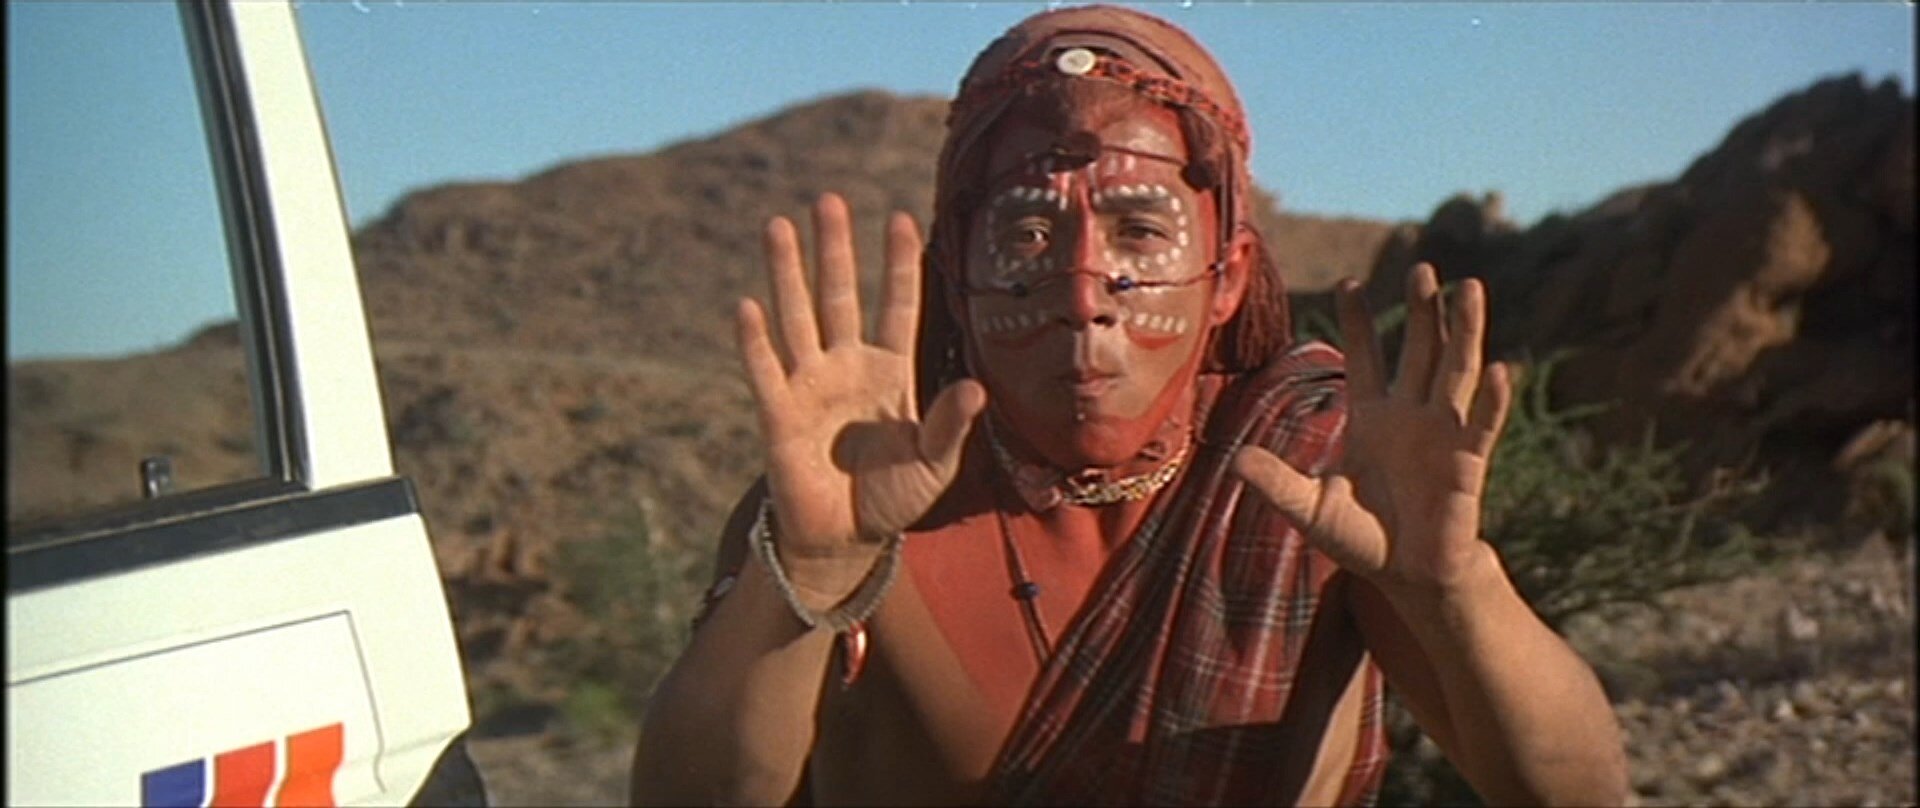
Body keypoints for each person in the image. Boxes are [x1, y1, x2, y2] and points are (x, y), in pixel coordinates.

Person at [631, 5, 1629, 805]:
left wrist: (1453, 585)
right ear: (958, 276)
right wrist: (810, 571)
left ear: (1227, 275)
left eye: (1140, 231)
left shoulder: (1319, 475)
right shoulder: (855, 496)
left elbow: (1577, 795)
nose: (1081, 293)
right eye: (1026, 235)